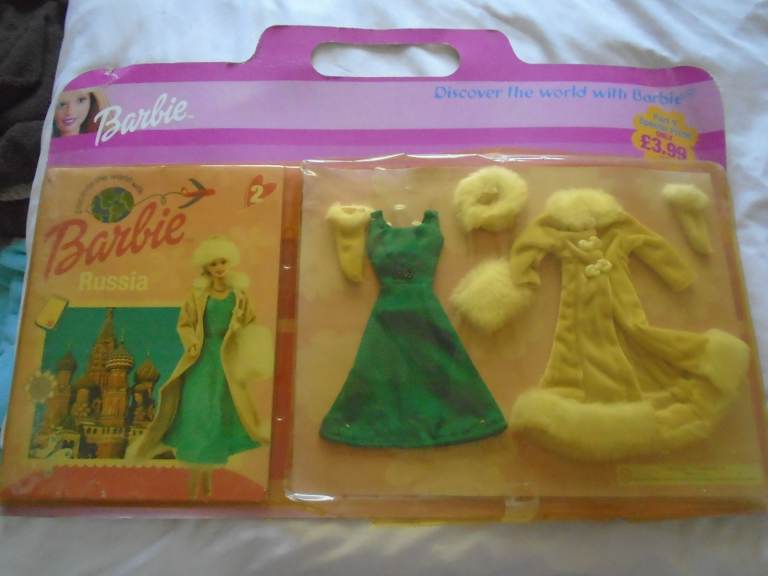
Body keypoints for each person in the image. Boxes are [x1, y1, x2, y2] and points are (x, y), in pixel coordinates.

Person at [127, 236, 271, 499]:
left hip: (227, 360)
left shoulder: (239, 296)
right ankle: (195, 482)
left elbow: (250, 323)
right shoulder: (198, 296)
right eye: (213, 263)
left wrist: (242, 335)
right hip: (201, 359)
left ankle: (207, 484)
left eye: (223, 262)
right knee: (196, 408)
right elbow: (185, 323)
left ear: (230, 263)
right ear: (206, 267)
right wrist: (192, 341)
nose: (219, 267)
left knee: (220, 410)